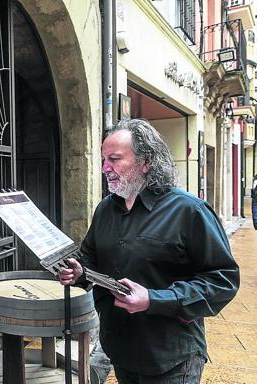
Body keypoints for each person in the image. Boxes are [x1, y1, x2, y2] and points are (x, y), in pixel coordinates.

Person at [59, 119, 239, 383]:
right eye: (103, 159)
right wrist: (79, 272)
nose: (104, 168)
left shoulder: (189, 210)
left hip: (171, 358)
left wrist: (154, 299)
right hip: (120, 349)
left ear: (146, 162)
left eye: (114, 159)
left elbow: (223, 280)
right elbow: (91, 260)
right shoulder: (105, 209)